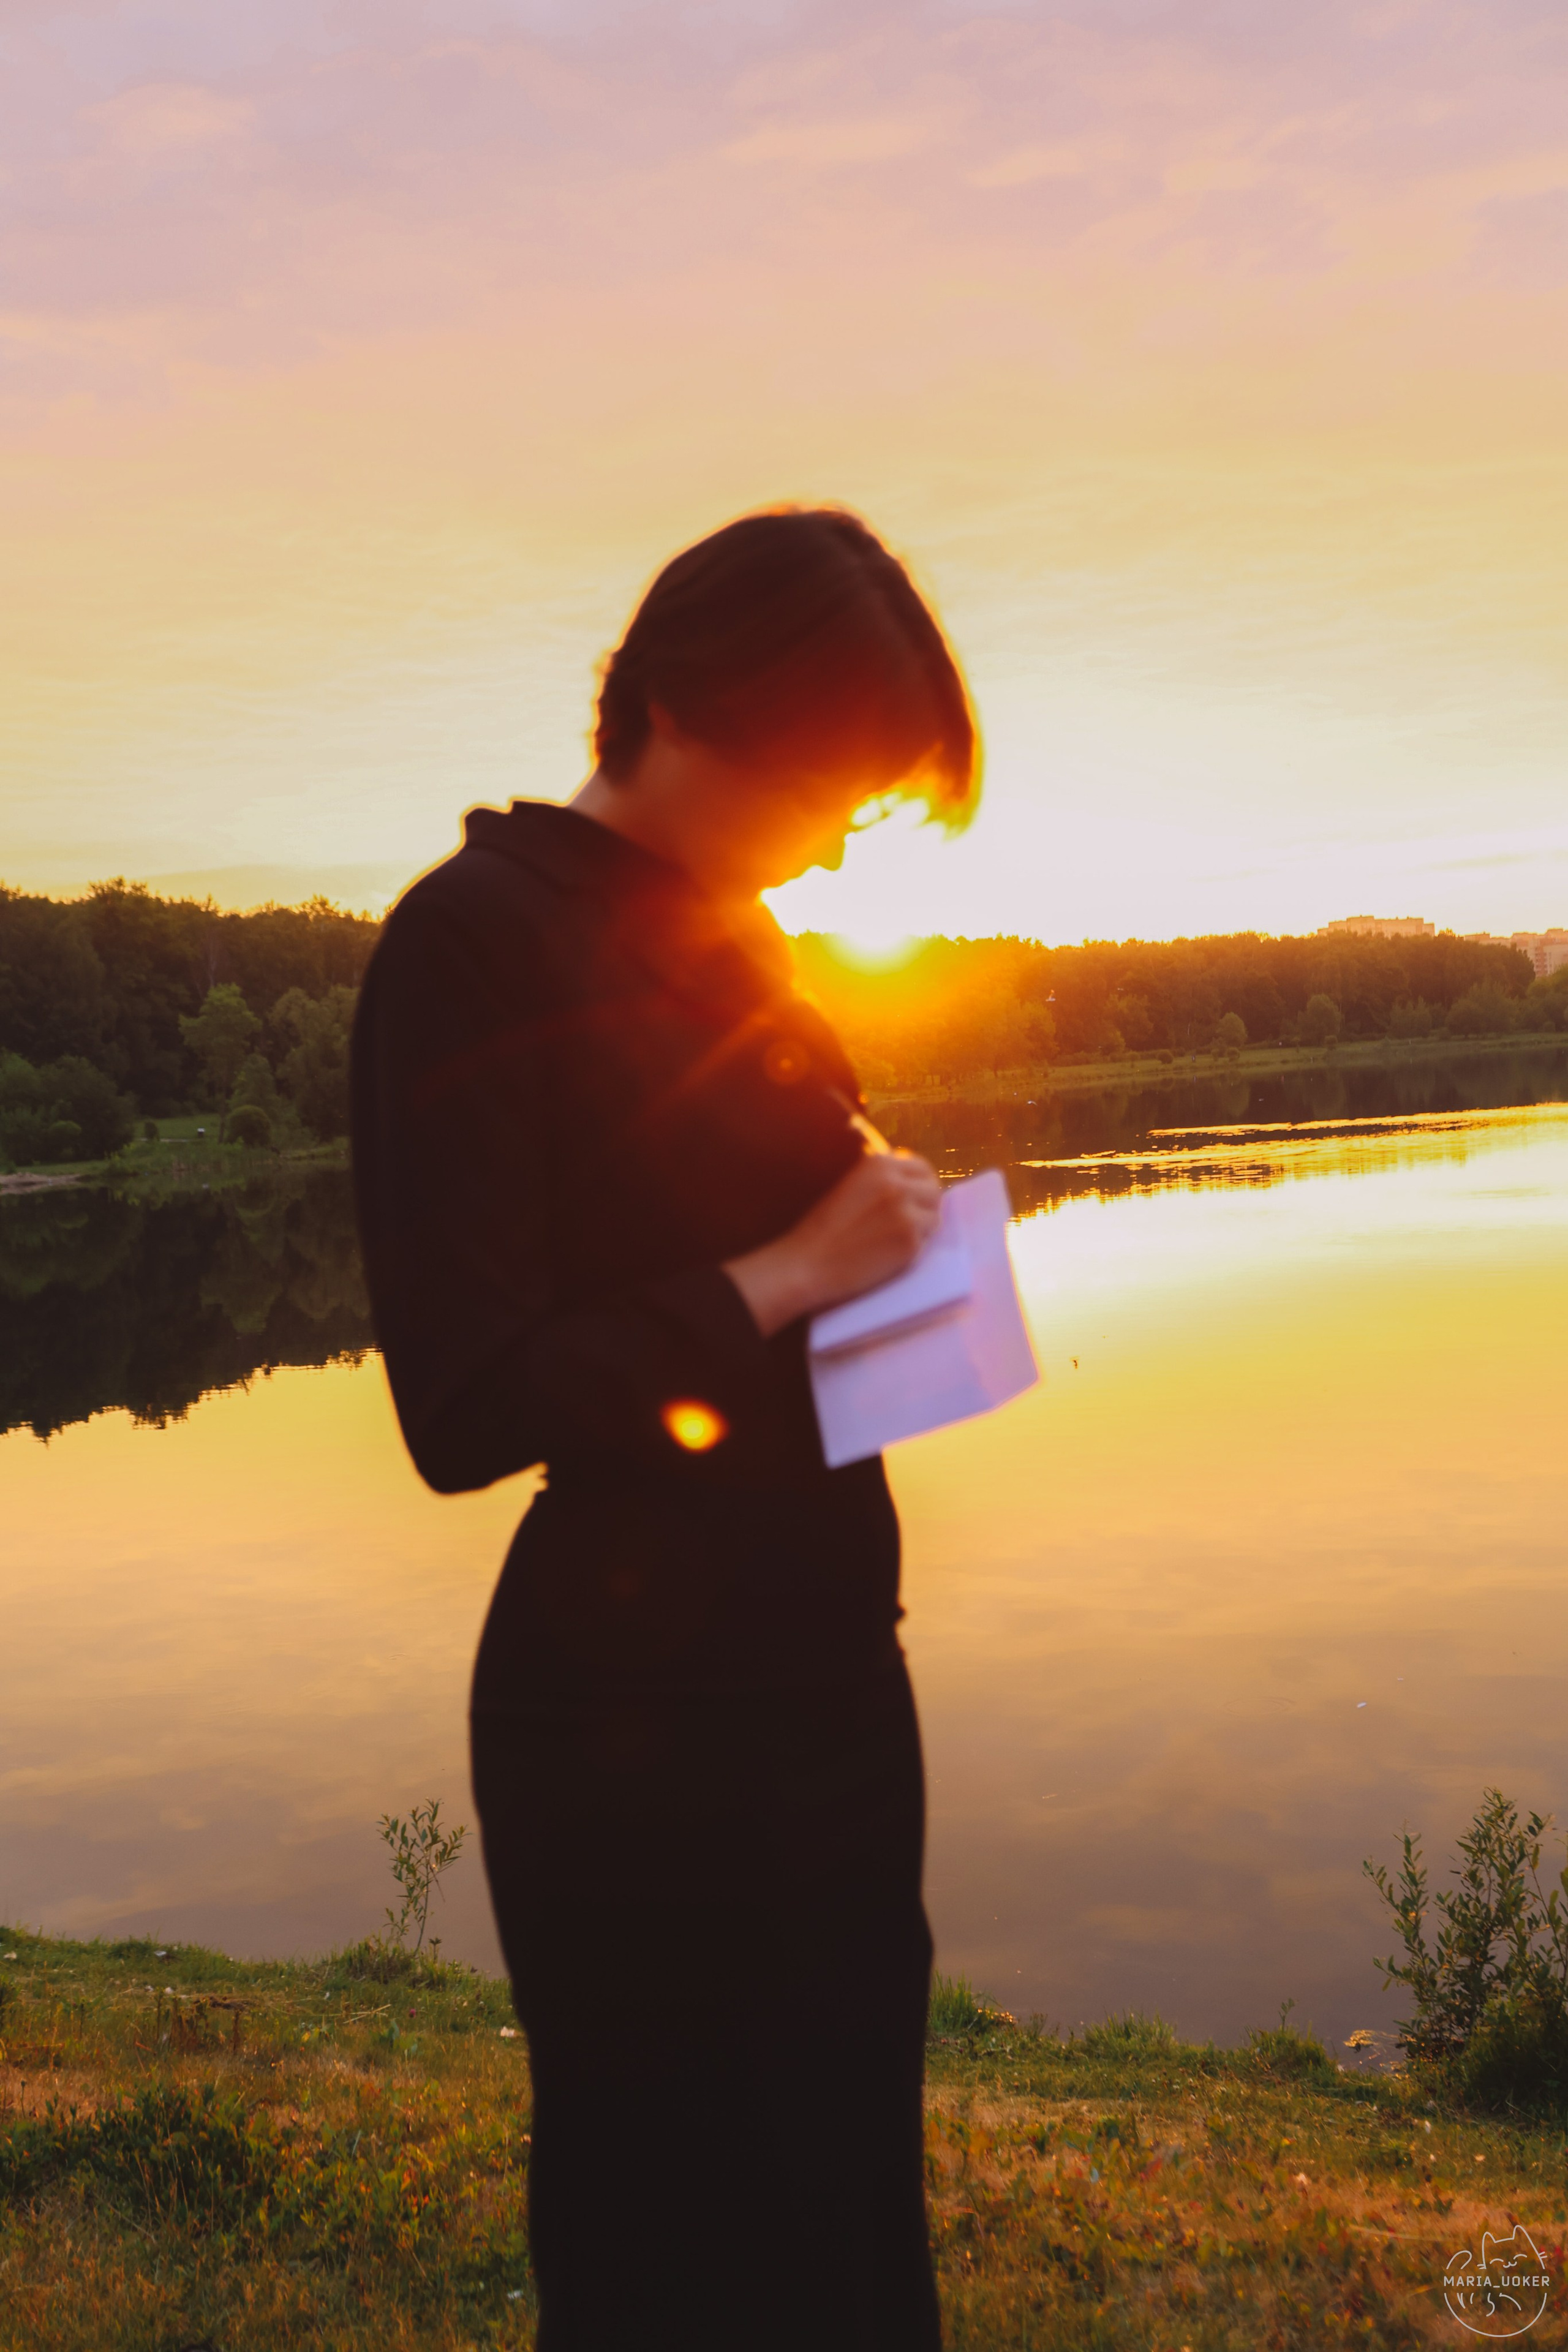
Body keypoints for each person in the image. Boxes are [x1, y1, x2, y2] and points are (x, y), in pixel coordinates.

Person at [350, 505, 979, 2350]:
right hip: (631, 1733)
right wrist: (791, 1269)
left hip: (830, 1683)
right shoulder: (468, 948)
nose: (831, 845)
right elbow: (466, 1406)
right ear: (698, 714)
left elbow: (772, 1247)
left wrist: (897, 1253)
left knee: (854, 2223)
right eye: (833, 794)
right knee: (666, 2244)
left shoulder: (745, 948)